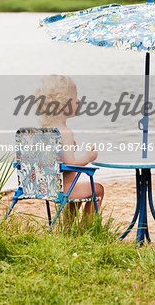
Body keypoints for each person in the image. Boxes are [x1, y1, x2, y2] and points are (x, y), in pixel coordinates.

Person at [35, 75, 104, 223]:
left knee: (79, 192)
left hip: (43, 187)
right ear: (61, 104)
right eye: (75, 97)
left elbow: (51, 160)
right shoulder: (64, 132)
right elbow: (70, 165)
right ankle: (88, 230)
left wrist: (69, 149)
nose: (78, 101)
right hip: (63, 189)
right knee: (97, 189)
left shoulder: (44, 131)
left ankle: (68, 229)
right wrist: (89, 157)